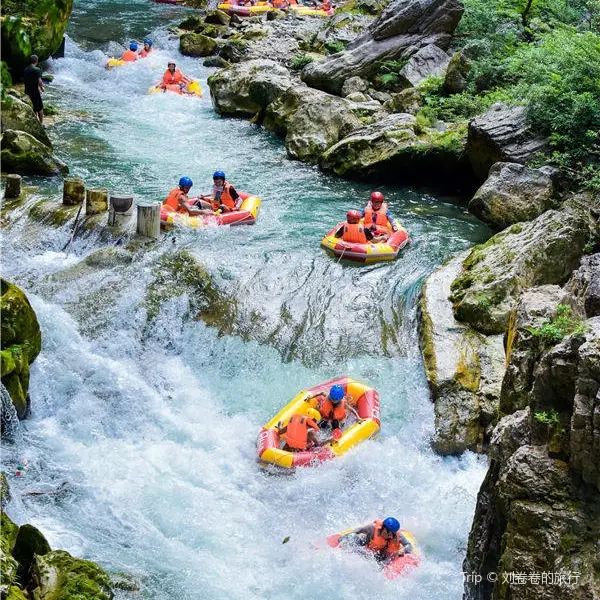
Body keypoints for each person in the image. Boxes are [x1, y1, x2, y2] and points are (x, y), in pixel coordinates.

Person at [339, 517, 413, 564]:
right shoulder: (372, 528)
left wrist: (402, 551)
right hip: (365, 546)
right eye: (388, 533)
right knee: (352, 538)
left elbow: (409, 546)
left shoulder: (397, 535)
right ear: (383, 528)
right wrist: (344, 537)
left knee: (384, 560)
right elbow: (358, 530)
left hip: (379, 556)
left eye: (392, 534)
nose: (390, 536)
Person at [23, 55, 45, 125]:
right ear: (37, 61)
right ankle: (41, 124)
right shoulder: (37, 70)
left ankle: (34, 122)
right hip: (35, 92)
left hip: (27, 92)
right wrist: (42, 88)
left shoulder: (26, 69)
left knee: (33, 107)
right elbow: (39, 81)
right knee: (40, 108)